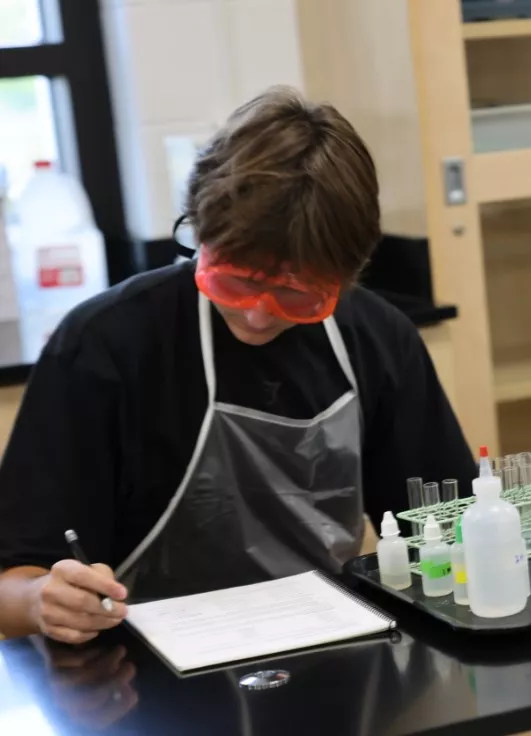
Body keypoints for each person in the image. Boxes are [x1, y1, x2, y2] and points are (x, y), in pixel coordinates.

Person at [0, 87, 475, 644]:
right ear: (199, 233)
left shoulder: (376, 339)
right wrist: (42, 601)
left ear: (347, 276)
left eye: (297, 295)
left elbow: (447, 531)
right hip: (141, 684)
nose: (255, 316)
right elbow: (14, 585)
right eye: (236, 281)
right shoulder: (104, 346)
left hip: (328, 656)